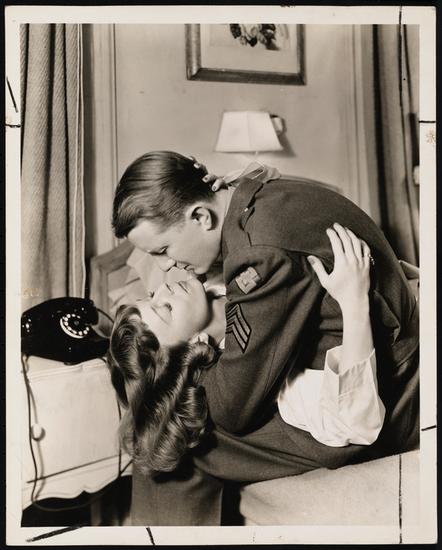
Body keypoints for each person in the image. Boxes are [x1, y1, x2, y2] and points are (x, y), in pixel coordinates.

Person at [111, 151, 419, 525]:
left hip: (393, 391)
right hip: (379, 361)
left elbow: (233, 409)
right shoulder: (252, 199)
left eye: (163, 250)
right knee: (163, 427)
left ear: (202, 217)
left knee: (171, 443)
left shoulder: (259, 255)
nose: (164, 271)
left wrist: (171, 389)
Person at [108, 226, 385, 475]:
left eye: (152, 295)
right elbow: (353, 423)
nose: (164, 288)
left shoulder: (218, 275)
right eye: (166, 308)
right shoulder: (252, 372)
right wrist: (354, 299)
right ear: (195, 343)